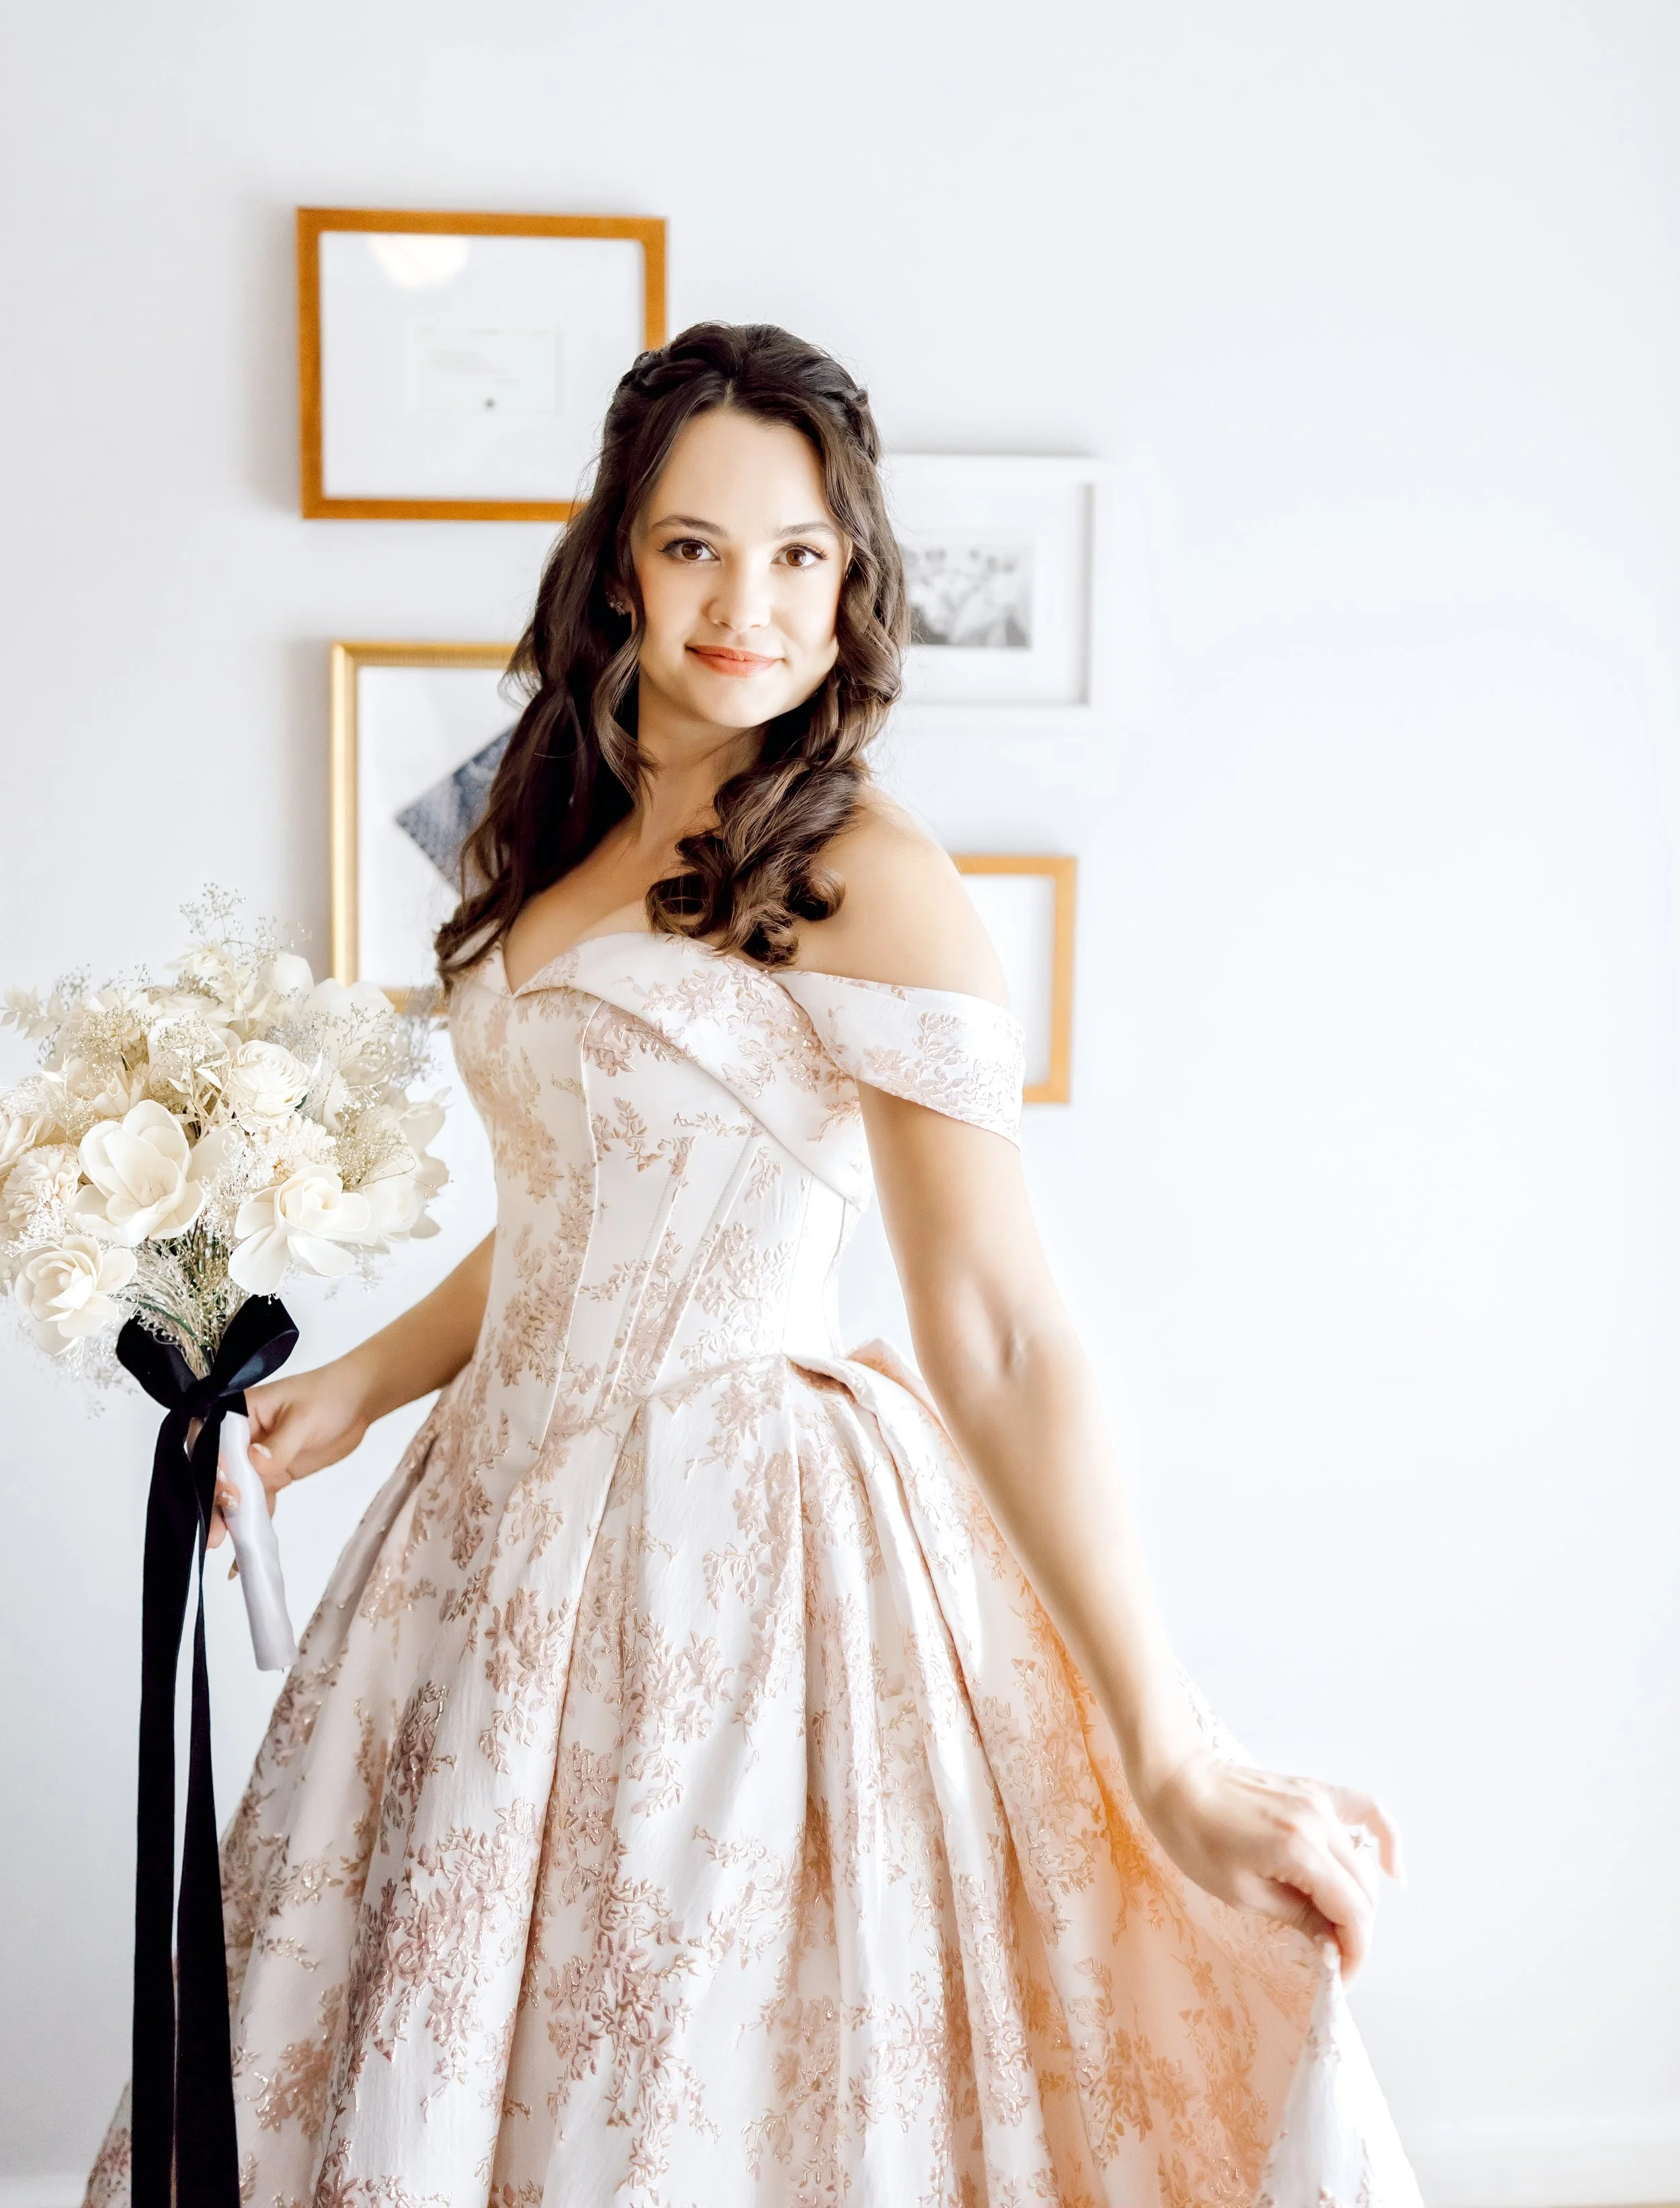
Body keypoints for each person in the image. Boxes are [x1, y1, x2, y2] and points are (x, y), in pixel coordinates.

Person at [89, 322, 1420, 2208]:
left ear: (853, 577)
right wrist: (350, 1392)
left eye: (801, 554)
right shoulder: (526, 808)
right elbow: (569, 1197)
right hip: (484, 1536)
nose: (749, 602)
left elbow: (1003, 1329)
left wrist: (1166, 1745)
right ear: (618, 559)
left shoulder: (865, 867)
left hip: (728, 1547)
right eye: (698, 545)